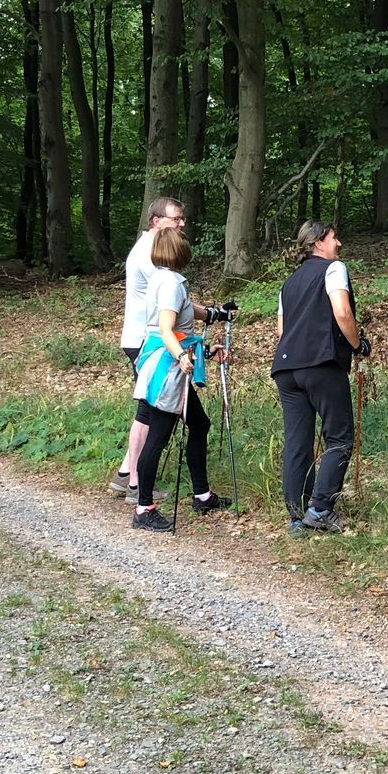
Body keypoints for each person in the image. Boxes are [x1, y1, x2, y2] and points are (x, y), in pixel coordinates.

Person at [128, 226, 233, 532]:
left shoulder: (163, 279)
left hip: (166, 363)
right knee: (158, 438)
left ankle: (202, 496)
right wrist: (181, 357)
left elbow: (183, 318)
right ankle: (143, 509)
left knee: (199, 425)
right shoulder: (171, 283)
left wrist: (213, 320)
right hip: (167, 370)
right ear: (180, 251)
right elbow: (166, 328)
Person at [271, 220, 370, 535]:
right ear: (318, 243)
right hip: (321, 363)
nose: (338, 243)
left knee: (297, 441)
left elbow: (282, 331)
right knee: (339, 437)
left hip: (286, 368)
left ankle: (297, 516)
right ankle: (321, 508)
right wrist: (357, 345)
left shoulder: (289, 283)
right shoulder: (334, 269)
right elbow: (342, 312)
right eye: (333, 238)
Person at [110, 196, 188, 502]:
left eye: (181, 219)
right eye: (176, 219)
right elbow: (168, 299)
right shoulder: (149, 253)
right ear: (157, 221)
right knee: (149, 411)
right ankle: (136, 485)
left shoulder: (151, 248)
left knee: (148, 410)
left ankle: (125, 475)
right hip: (147, 339)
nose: (181, 224)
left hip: (148, 337)